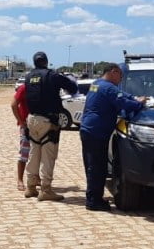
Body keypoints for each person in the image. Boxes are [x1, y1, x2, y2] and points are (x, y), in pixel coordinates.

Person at [80, 64, 146, 211]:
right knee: (97, 167)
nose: (120, 80)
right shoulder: (108, 87)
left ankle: (93, 196)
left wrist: (133, 97)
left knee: (91, 165)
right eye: (120, 76)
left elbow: (122, 95)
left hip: (88, 129)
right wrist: (139, 103)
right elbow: (123, 102)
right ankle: (94, 201)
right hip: (97, 131)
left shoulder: (97, 84)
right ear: (113, 72)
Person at [23, 51, 78, 201]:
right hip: (48, 121)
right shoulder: (52, 75)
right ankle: (46, 189)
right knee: (48, 155)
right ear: (46, 61)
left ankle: (30, 187)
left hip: (32, 119)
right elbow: (72, 88)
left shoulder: (28, 77)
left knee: (34, 153)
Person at [10, 82, 38, 191]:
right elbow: (13, 104)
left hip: (38, 125)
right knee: (24, 153)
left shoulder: (40, 88)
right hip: (26, 126)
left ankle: (37, 177)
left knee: (37, 153)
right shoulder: (24, 88)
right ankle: (20, 180)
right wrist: (21, 121)